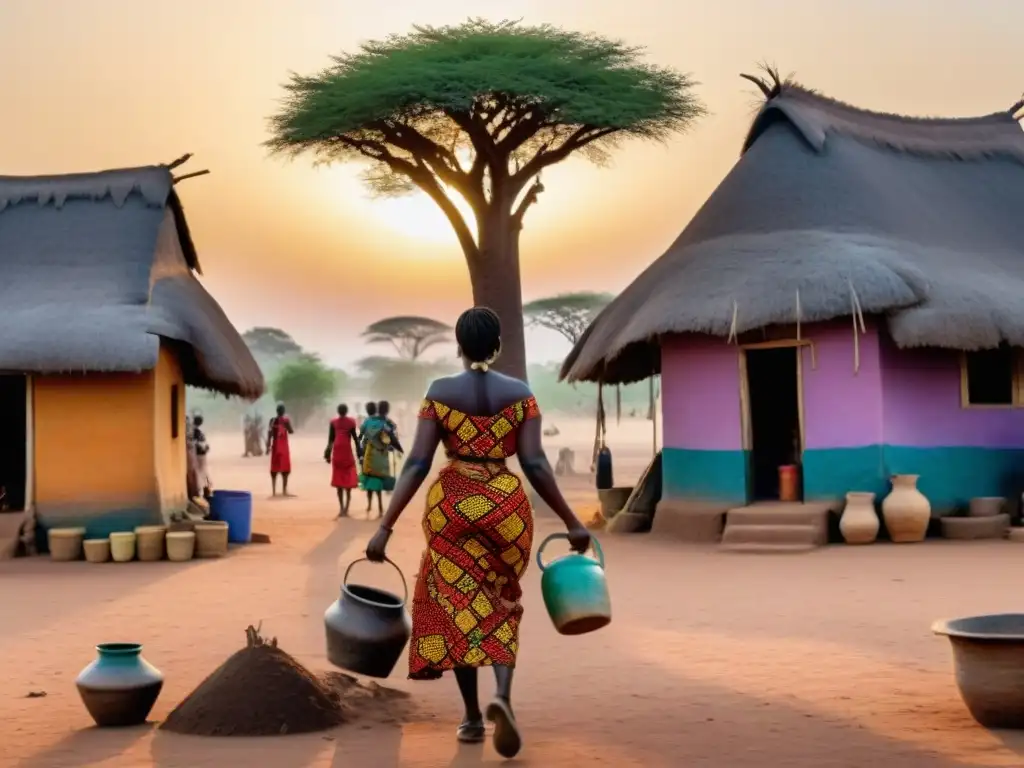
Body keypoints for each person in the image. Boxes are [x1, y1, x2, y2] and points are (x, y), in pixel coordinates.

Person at [365, 306, 591, 759]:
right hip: (505, 506)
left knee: (457, 605)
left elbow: (416, 462)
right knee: (502, 597)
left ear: (458, 345)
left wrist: (385, 526)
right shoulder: (521, 394)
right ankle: (502, 696)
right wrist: (571, 521)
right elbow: (534, 463)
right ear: (499, 345)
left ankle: (470, 717)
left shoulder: (439, 392)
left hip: (451, 505)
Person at [360, 402, 403, 518]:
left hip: (370, 454)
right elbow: (393, 435)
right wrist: (396, 449)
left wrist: (361, 453)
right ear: (387, 410)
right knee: (378, 480)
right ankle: (380, 507)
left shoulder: (368, 421)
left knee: (369, 479)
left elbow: (362, 436)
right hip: (382, 455)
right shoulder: (387, 423)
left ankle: (369, 505)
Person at [325, 404, 361, 517]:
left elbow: (330, 440)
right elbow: (355, 438)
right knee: (348, 482)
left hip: (337, 453)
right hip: (347, 452)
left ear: (338, 411)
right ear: (346, 411)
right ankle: (346, 508)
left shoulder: (333, 422)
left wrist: (327, 453)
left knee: (339, 482)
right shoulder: (351, 422)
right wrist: (360, 452)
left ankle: (341, 509)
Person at [267, 403, 294, 497]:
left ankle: (274, 491)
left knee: (274, 468)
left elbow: (269, 434)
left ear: (276, 411)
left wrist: (268, 446)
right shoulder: (286, 420)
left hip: (275, 447)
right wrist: (288, 425)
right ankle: (284, 490)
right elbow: (291, 431)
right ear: (283, 411)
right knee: (285, 469)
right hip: (283, 447)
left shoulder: (272, 420)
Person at [193, 414, 212, 499]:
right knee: (203, 472)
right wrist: (205, 448)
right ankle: (205, 489)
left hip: (198, 455)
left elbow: (196, 444)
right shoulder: (200, 432)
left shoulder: (194, 432)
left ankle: (202, 490)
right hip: (202, 454)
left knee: (199, 472)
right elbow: (205, 445)